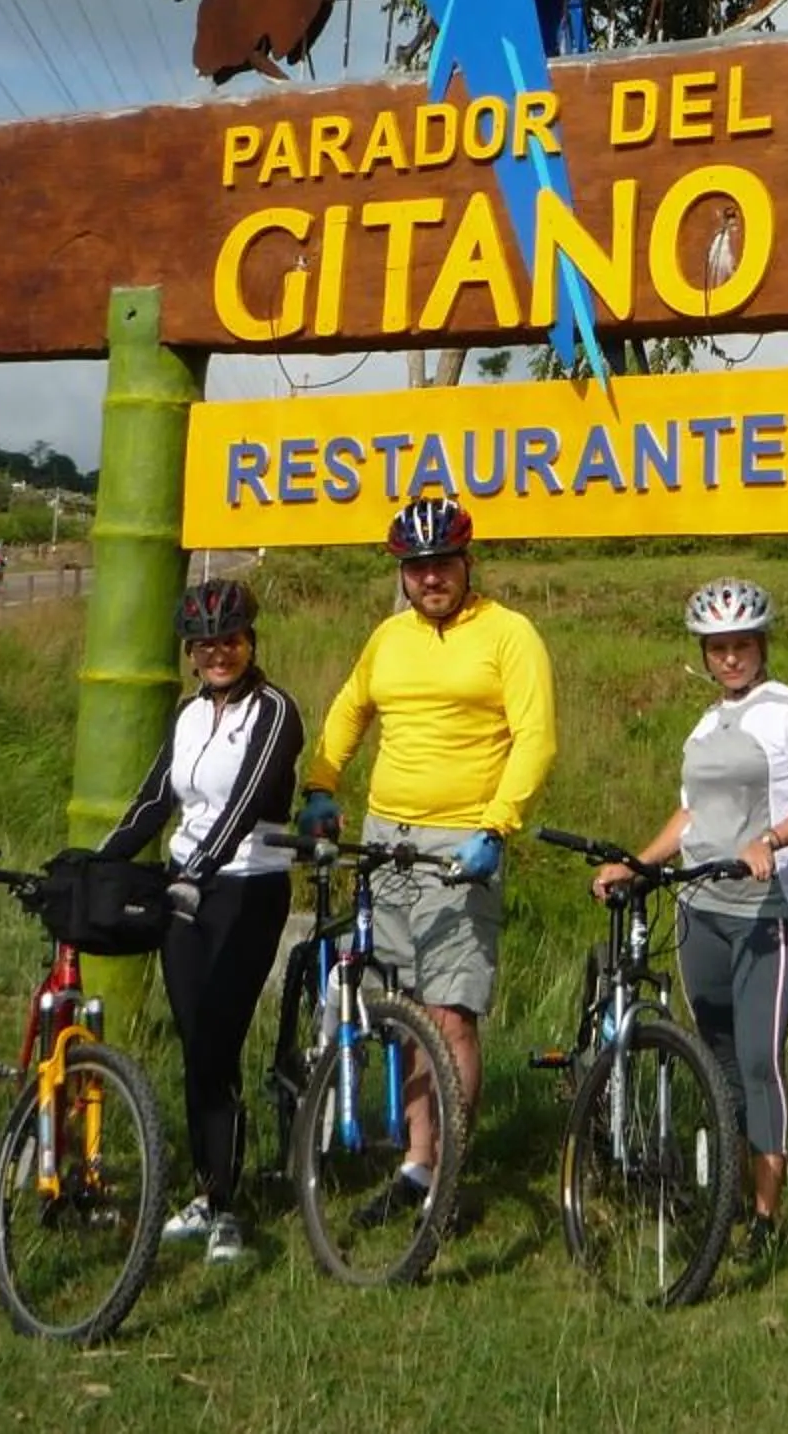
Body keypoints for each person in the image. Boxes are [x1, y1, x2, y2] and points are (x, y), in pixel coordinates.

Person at [297, 498, 556, 1222]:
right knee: (407, 1009)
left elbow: (536, 737)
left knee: (451, 1015)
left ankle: (449, 1172)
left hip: (462, 842)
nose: (430, 577)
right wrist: (321, 785)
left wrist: (497, 825)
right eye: (416, 567)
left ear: (467, 563)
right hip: (387, 838)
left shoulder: (508, 633)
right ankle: (417, 1162)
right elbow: (351, 707)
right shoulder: (389, 637)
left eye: (442, 563)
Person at [592, 578, 788, 1261]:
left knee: (760, 1060)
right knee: (716, 1057)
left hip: (768, 911)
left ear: (762, 645)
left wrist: (772, 841)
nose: (730, 658)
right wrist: (638, 863)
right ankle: (727, 1189)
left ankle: (765, 1213)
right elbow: (692, 814)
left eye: (741, 645)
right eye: (717, 648)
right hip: (699, 907)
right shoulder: (705, 726)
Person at [97, 575, 303, 1266]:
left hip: (248, 887)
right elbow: (155, 799)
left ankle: (227, 1207)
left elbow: (247, 801)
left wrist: (201, 869)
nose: (219, 654)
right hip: (185, 891)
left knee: (218, 1035)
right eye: (205, 645)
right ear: (190, 654)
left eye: (231, 641)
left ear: (251, 642)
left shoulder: (275, 711)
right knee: (195, 1045)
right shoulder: (188, 715)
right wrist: (96, 861)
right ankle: (207, 1193)